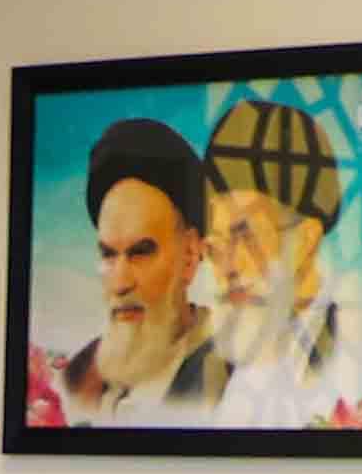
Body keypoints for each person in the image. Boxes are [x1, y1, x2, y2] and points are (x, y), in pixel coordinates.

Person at [20, 114, 231, 425]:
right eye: (108, 255)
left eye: (140, 253)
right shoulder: (76, 380)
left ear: (189, 256)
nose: (119, 283)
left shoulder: (233, 379)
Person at [198, 87, 362, 430]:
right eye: (216, 246)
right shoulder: (218, 368)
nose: (227, 267)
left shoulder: (357, 358)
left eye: (245, 237)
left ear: (306, 238)